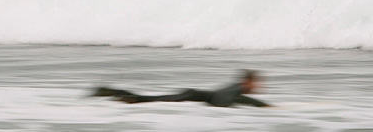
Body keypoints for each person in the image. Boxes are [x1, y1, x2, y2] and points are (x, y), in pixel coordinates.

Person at [92, 70, 271, 108]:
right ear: (248, 81)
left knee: (148, 99)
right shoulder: (237, 88)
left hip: (190, 94)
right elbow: (221, 100)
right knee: (148, 100)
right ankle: (111, 92)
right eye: (256, 83)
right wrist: (261, 105)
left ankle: (110, 92)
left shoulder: (236, 88)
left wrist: (260, 104)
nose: (258, 86)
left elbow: (228, 98)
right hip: (189, 96)